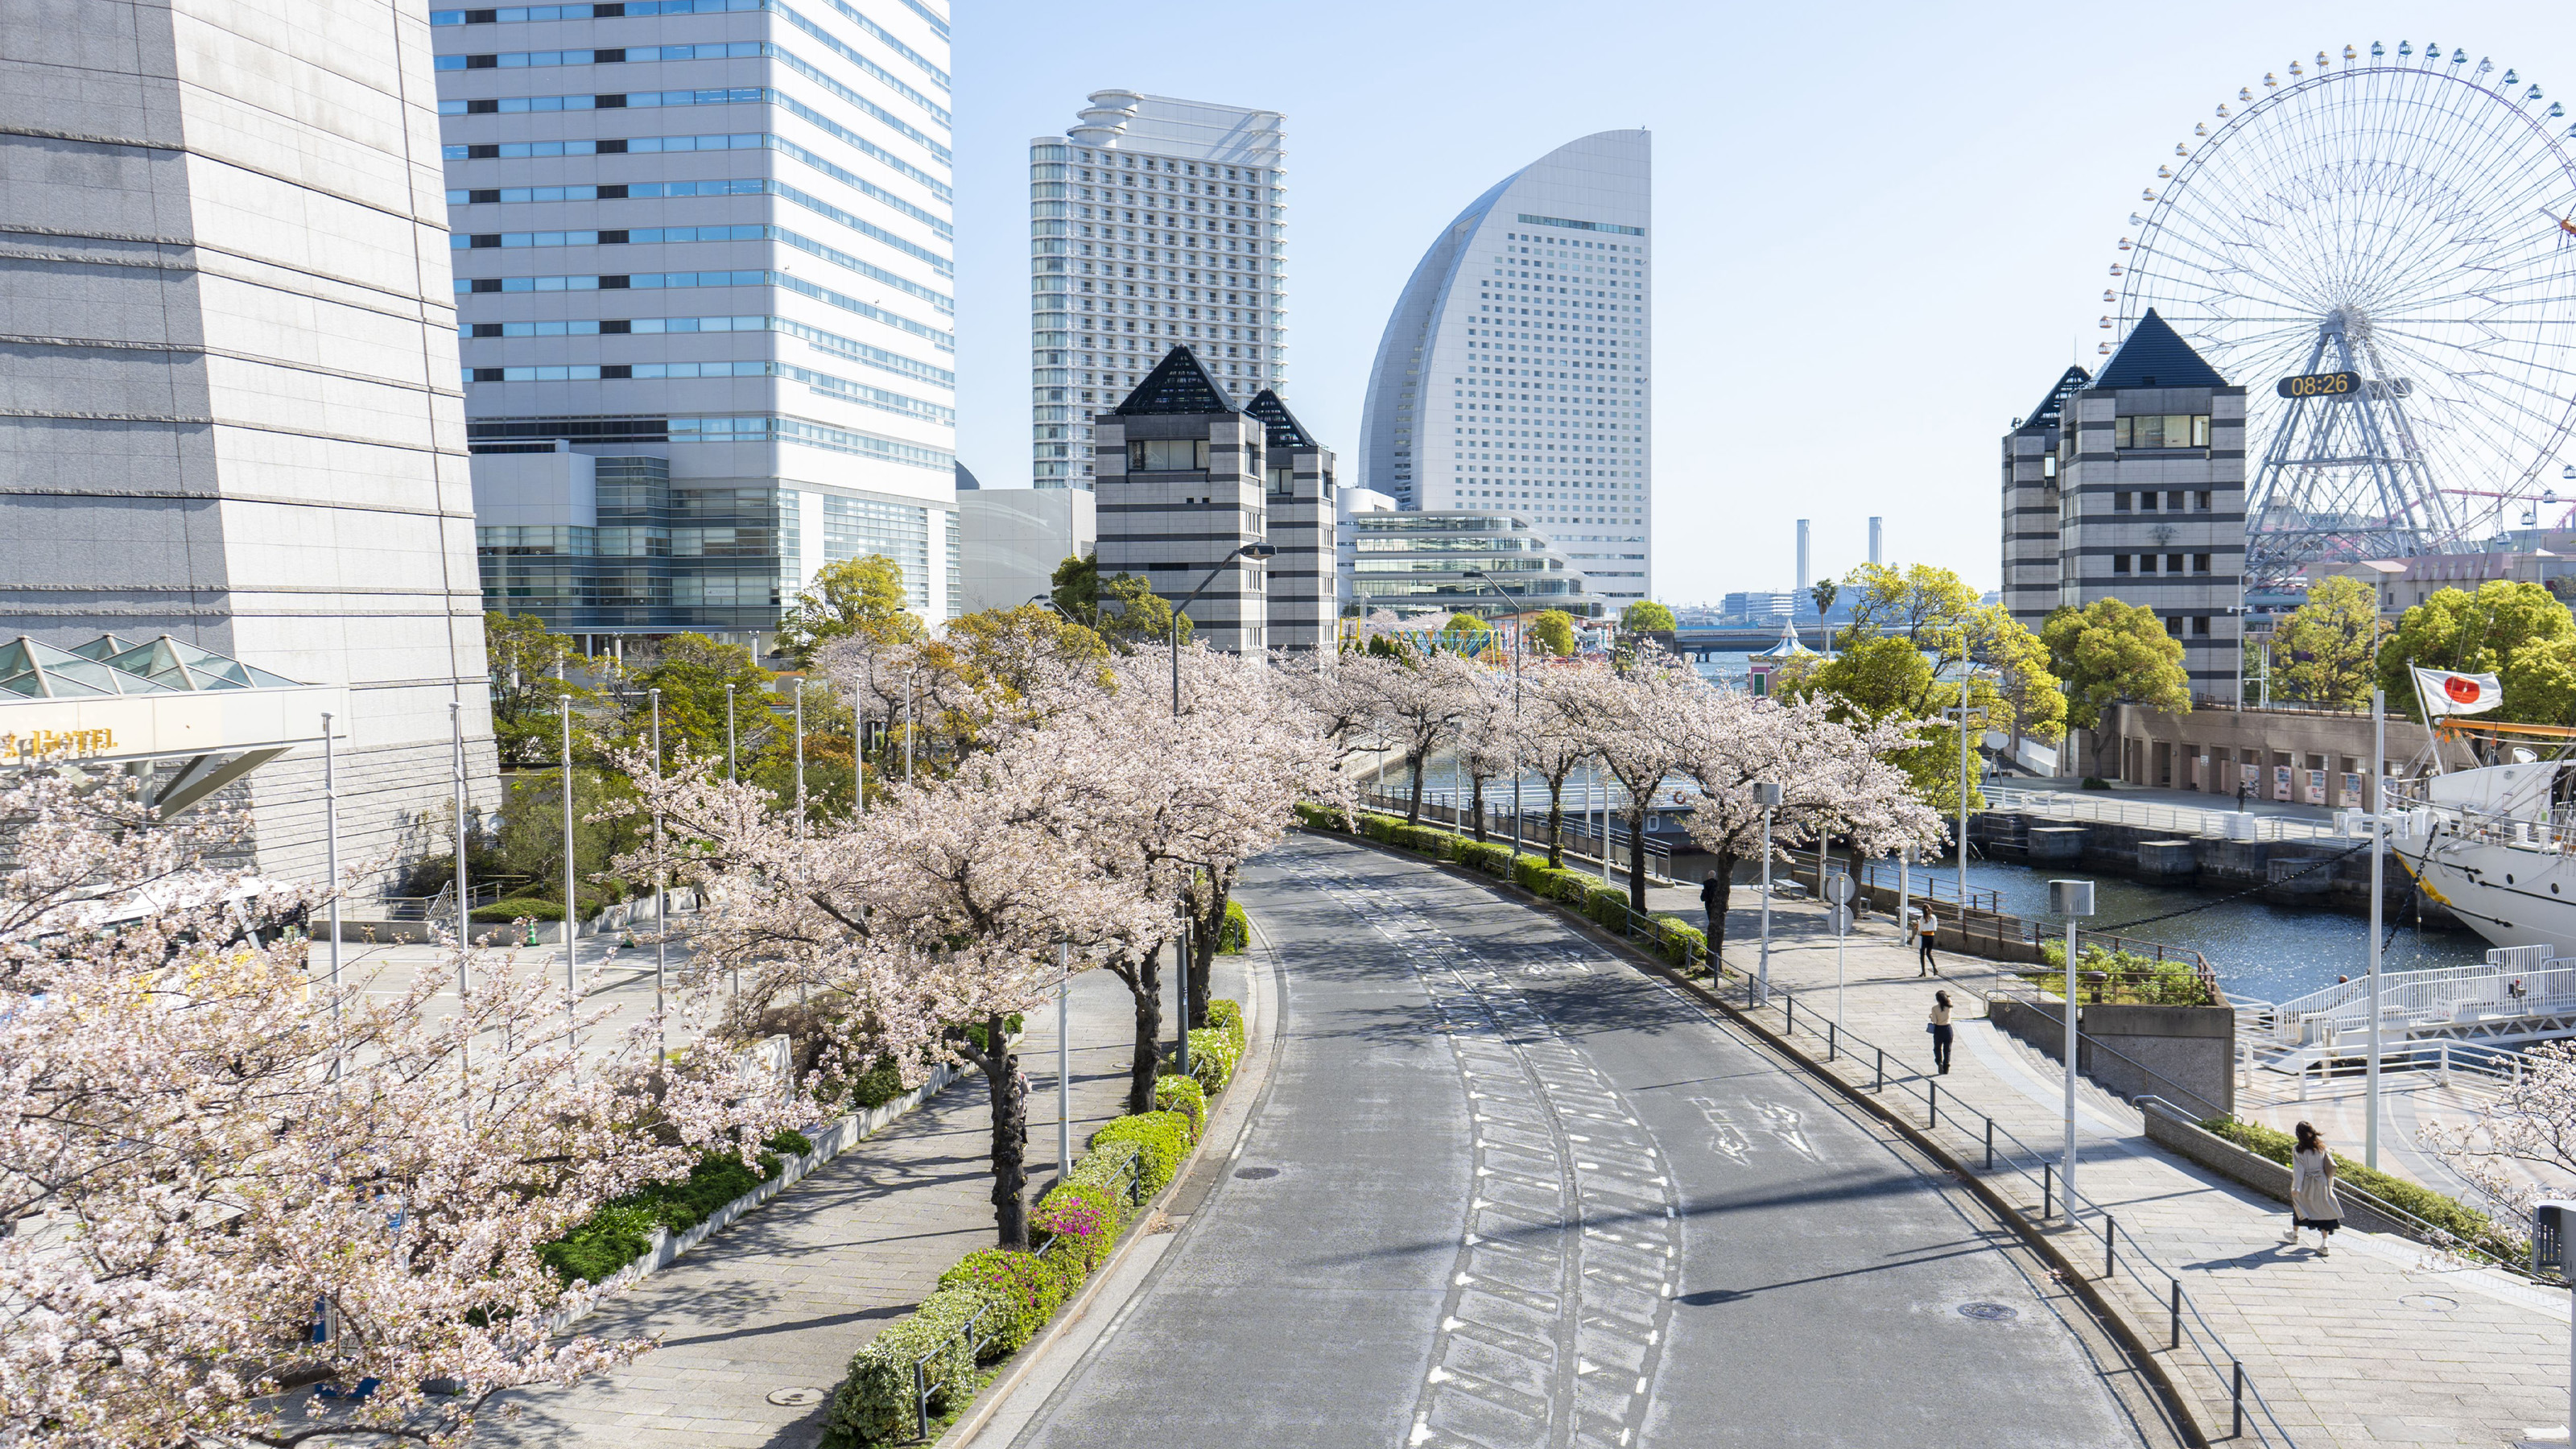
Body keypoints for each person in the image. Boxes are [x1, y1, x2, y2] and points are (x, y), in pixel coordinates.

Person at [2286, 1120, 2341, 1256]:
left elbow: (2298, 1170)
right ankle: (2325, 1244)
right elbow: (2329, 1167)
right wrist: (2330, 1184)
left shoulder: (2298, 1150)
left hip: (2307, 1183)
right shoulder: (2322, 1148)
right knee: (2324, 1212)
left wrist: (2296, 1187)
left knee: (2300, 1206)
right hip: (2322, 1183)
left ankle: (2294, 1234)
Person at [1928, 990, 1955, 1075]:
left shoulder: (1935, 1008)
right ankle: (1946, 1066)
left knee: (1937, 1048)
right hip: (1948, 1029)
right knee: (1947, 1049)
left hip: (1939, 1029)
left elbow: (1935, 1021)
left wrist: (1931, 1016)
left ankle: (1939, 1061)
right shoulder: (1949, 1006)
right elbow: (1949, 999)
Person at [1700, 870, 1723, 943]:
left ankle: (1711, 926)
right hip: (1715, 902)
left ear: (1708, 876)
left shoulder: (1706, 883)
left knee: (1709, 914)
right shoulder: (1717, 883)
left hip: (1708, 902)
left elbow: (1705, 893)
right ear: (1715, 876)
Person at [1916, 909, 1939, 976]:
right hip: (1931, 936)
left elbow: (1920, 929)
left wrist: (1918, 924)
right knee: (1929, 953)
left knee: (1922, 954)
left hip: (1924, 936)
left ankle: (1923, 971)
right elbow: (1935, 927)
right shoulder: (1933, 917)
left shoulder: (1922, 918)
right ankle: (1934, 967)